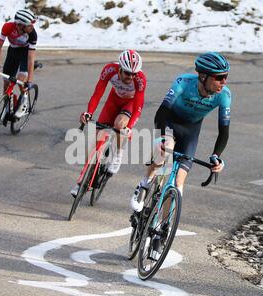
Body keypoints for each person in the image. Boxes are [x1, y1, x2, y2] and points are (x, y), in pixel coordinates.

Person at [130, 52, 231, 214]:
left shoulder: (224, 95)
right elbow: (161, 112)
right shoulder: (183, 82)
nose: (224, 82)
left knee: (178, 182)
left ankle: (164, 229)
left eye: (226, 76)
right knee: (164, 151)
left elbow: (224, 131)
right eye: (219, 78)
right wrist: (162, 136)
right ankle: (145, 183)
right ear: (204, 77)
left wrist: (216, 155)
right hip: (170, 123)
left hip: (191, 132)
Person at [70, 49, 147, 197]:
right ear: (119, 69)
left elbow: (138, 106)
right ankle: (81, 183)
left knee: (119, 125)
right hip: (113, 100)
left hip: (129, 104)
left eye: (134, 73)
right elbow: (97, 94)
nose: (131, 77)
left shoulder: (140, 79)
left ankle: (118, 153)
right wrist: (89, 113)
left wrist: (129, 128)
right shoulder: (109, 70)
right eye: (127, 73)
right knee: (97, 141)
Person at [0, 9, 38, 119]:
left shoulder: (32, 34)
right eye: (29, 25)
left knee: (21, 79)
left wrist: (29, 80)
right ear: (20, 25)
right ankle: (7, 107)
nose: (31, 27)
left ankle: (25, 102)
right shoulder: (8, 27)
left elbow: (31, 58)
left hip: (25, 53)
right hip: (13, 51)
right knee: (6, 82)